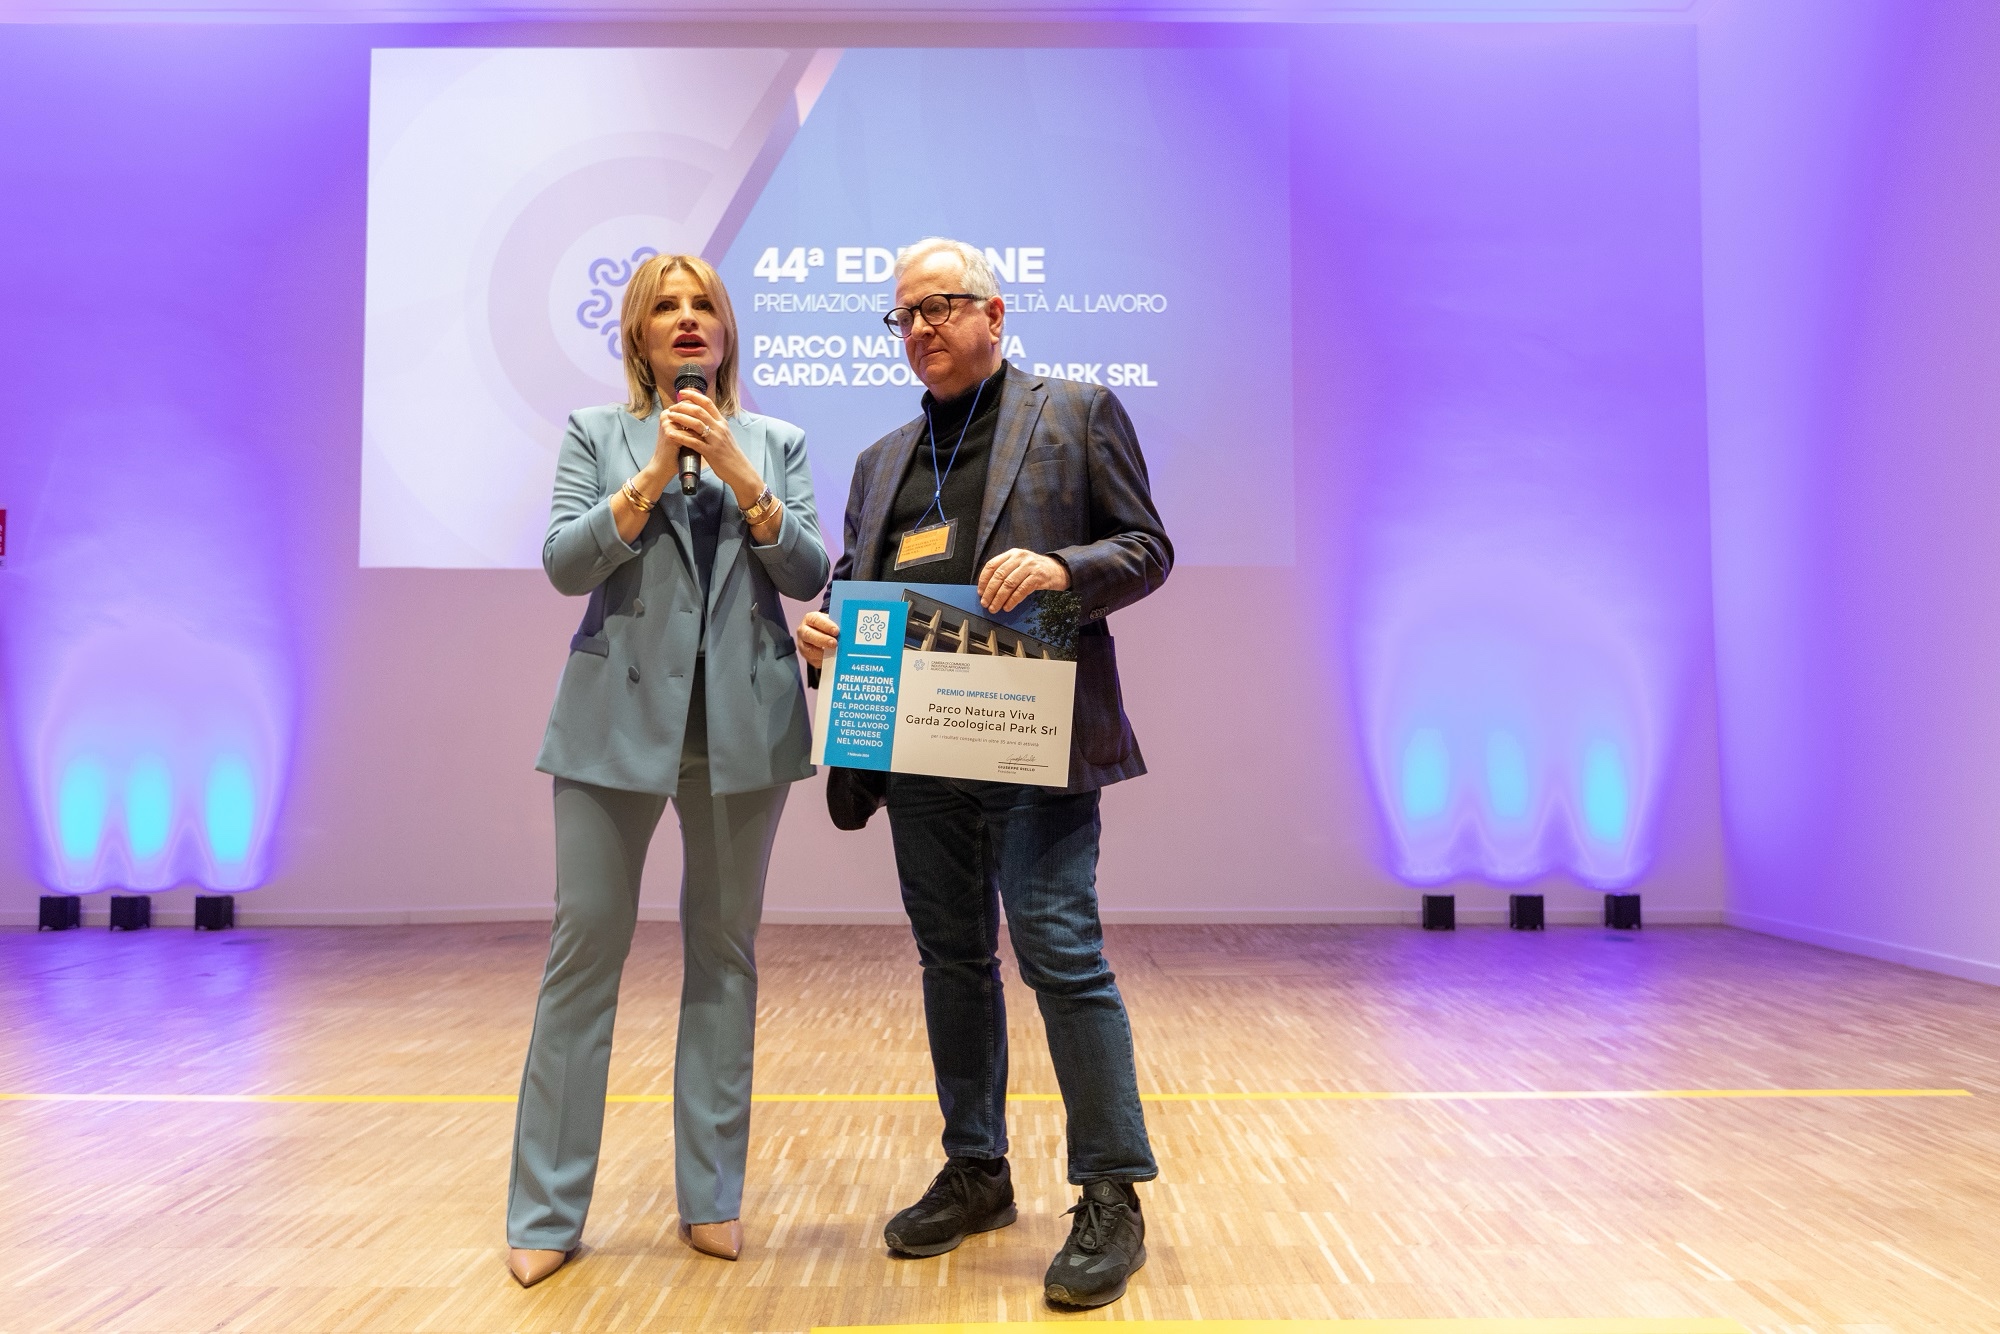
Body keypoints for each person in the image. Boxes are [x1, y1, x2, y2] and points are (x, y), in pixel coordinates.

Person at [796, 237, 1173, 1310]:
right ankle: (976, 1169)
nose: (920, 327)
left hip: (1031, 740)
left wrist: (1061, 568)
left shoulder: (1076, 412)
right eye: (904, 314)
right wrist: (826, 632)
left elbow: (1146, 548)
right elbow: (851, 584)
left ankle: (1110, 1192)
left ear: (994, 314)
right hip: (918, 746)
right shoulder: (880, 460)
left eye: (941, 306)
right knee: (952, 961)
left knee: (1061, 953)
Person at [505, 253, 829, 1288]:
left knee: (723, 958)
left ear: (725, 333)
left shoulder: (774, 441)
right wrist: (649, 478)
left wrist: (739, 473)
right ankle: (546, 1208)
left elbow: (810, 570)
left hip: (744, 729)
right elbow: (565, 565)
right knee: (582, 959)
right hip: (612, 727)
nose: (687, 320)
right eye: (665, 309)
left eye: (703, 307)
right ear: (640, 338)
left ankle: (712, 1197)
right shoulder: (595, 434)